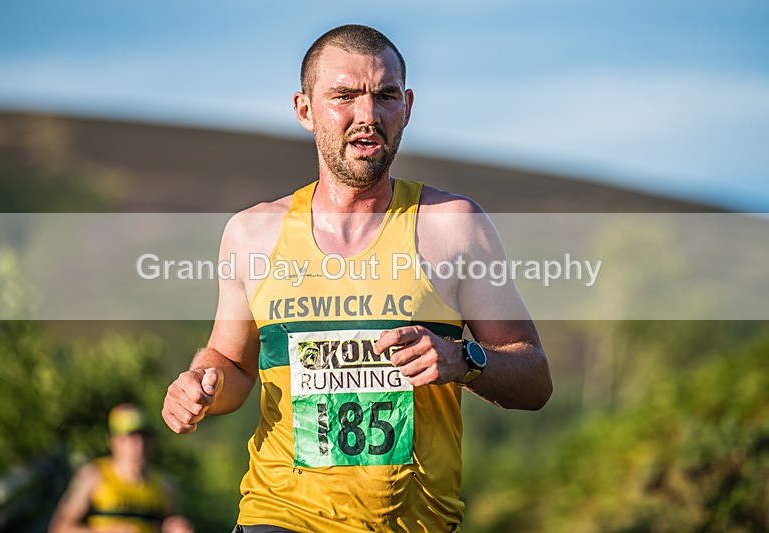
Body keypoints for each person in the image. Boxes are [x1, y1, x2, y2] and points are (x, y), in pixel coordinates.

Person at [162, 24, 552, 532]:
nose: (367, 116)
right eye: (344, 96)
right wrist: (200, 386)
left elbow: (535, 380)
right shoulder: (253, 233)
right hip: (277, 515)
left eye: (385, 96)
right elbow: (232, 364)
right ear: (305, 109)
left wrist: (463, 358)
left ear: (406, 107)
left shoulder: (454, 226)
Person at [49, 404, 194, 533]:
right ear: (113, 441)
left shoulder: (165, 485)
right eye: (131, 437)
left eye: (145, 436)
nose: (139, 444)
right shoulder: (93, 475)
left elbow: (171, 524)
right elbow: (59, 528)